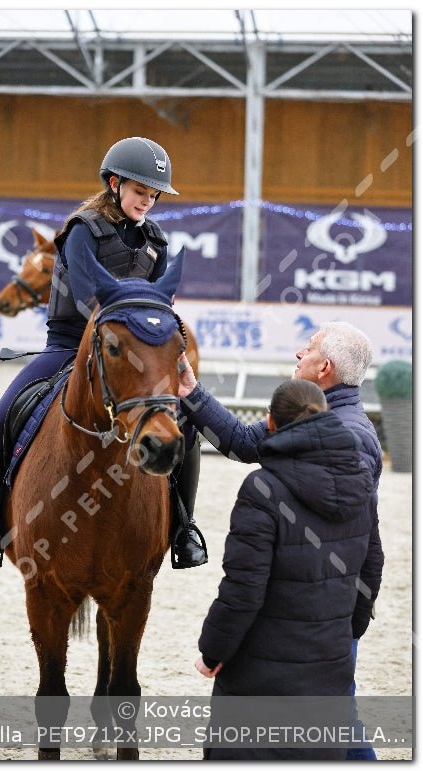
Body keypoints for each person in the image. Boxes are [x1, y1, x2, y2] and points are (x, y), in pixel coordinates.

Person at [0, 136, 207, 571]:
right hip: (68, 345)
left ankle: (184, 529)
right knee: (0, 421)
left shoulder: (155, 240)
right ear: (115, 184)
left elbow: (159, 304)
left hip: (128, 352)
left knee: (183, 429)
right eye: (140, 192)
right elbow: (82, 295)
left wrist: (163, 345)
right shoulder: (82, 227)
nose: (147, 201)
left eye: (153, 195)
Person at [179, 320, 384, 760]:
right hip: (321, 617)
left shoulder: (348, 436)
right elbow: (239, 443)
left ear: (324, 366)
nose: (297, 355)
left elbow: (369, 553)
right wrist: (192, 394)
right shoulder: (308, 417)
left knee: (335, 726)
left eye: (306, 349)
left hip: (319, 617)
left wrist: (348, 627)